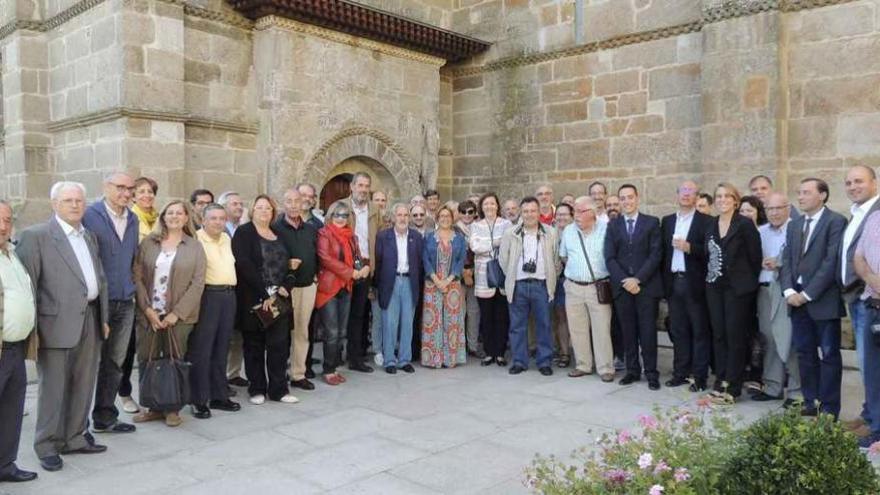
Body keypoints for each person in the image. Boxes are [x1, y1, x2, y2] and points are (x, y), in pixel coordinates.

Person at [17, 182, 110, 472]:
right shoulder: (36, 236)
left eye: (79, 200)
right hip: (54, 324)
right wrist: (33, 332)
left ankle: (75, 437)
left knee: (84, 383)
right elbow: (28, 285)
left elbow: (99, 279)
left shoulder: (89, 236)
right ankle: (47, 444)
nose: (74, 205)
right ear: (54, 203)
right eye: (68, 200)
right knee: (53, 388)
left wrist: (103, 318)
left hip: (90, 319)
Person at [132, 200, 206, 426]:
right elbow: (137, 276)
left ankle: (173, 408)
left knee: (175, 359)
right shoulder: (148, 243)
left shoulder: (194, 246)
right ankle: (152, 406)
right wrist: (147, 309)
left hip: (179, 316)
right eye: (169, 213)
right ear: (163, 217)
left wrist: (176, 314)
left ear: (186, 218)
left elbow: (197, 283)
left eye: (179, 213)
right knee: (148, 358)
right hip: (149, 313)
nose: (174, 216)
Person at [781, 178, 847, 418]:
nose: (800, 197)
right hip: (795, 301)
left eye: (806, 192)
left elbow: (831, 262)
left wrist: (807, 294)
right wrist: (789, 291)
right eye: (799, 192)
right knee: (804, 354)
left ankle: (829, 409)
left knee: (829, 355)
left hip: (822, 301)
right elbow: (786, 259)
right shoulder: (794, 224)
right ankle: (812, 401)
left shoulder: (835, 221)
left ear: (823, 195)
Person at [82, 172, 139, 435]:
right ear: (106, 187)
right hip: (95, 303)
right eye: (120, 187)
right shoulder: (88, 215)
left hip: (125, 302)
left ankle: (105, 416)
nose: (126, 193)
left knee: (115, 362)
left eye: (130, 189)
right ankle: (75, 424)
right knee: (85, 364)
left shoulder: (133, 218)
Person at [232, 195, 298, 405]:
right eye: (259, 207)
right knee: (254, 345)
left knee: (279, 345)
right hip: (255, 299)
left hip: (278, 300)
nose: (263, 211)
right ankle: (257, 388)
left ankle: (279, 389)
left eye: (267, 208)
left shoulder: (278, 233)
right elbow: (244, 265)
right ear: (252, 210)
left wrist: (286, 287)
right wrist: (264, 294)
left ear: (273, 212)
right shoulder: (244, 233)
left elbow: (290, 265)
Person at [703, 183, 762, 404]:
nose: (722, 199)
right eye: (718, 196)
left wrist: (744, 281)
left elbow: (755, 258)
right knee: (719, 335)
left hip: (738, 290)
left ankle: (733, 388)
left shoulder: (745, 224)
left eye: (727, 196)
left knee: (735, 336)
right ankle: (720, 381)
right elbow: (706, 254)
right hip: (714, 286)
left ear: (735, 200)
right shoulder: (710, 225)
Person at [604, 184, 662, 390]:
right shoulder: (613, 225)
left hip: (646, 287)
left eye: (630, 197)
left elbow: (656, 255)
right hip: (622, 288)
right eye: (623, 198)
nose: (626, 201)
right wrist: (625, 281)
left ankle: (652, 372)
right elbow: (609, 257)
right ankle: (632, 370)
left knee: (647, 332)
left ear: (637, 198)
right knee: (628, 331)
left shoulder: (652, 223)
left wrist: (637, 279)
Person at [188, 204, 240, 419]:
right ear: (203, 219)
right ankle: (198, 399)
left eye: (221, 218)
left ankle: (219, 395)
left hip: (228, 296)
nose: (218, 222)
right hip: (207, 296)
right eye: (213, 218)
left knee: (222, 347)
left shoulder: (227, 238)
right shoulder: (196, 240)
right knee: (202, 349)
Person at [839, 165, 880, 436]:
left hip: (871, 299)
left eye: (859, 181)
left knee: (872, 365)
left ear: (874, 183)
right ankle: (870, 416)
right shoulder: (868, 216)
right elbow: (858, 257)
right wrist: (874, 283)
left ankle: (875, 423)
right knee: (870, 365)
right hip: (863, 296)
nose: (853, 186)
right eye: (849, 182)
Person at [0, 200, 38, 483]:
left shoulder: (12, 253)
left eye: (8, 220)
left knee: (11, 410)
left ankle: (5, 465)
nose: (3, 226)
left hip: (15, 348)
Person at [499, 197, 560, 375]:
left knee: (544, 324)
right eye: (525, 211)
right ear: (521, 212)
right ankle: (519, 361)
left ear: (539, 212)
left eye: (533, 211)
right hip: (518, 285)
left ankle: (544, 362)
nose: (529, 214)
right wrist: (512, 274)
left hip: (542, 285)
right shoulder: (511, 233)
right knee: (517, 326)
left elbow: (556, 260)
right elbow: (503, 259)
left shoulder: (550, 232)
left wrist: (549, 277)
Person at [661, 180, 712, 391]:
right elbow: (662, 253)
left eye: (691, 191)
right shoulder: (668, 221)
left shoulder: (706, 221)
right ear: (677, 194)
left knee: (699, 331)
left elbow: (711, 251)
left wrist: (690, 247)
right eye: (683, 190)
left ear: (697, 197)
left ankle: (699, 378)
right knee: (678, 330)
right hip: (674, 282)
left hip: (695, 284)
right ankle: (680, 373)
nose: (686, 194)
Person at [752, 192, 801, 404]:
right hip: (763, 290)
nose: (774, 213)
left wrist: (779, 262)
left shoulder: (797, 229)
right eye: (769, 209)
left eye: (778, 208)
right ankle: (772, 386)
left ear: (788, 208)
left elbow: (802, 259)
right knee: (769, 340)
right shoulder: (760, 232)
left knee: (787, 339)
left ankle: (797, 392)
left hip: (785, 290)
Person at [560, 197, 614, 381]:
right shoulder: (568, 231)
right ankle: (583, 364)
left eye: (580, 211)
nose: (576, 215)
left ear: (592, 213)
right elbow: (564, 256)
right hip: (573, 286)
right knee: (577, 328)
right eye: (575, 211)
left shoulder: (606, 230)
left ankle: (605, 368)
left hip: (597, 287)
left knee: (601, 328)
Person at [273, 188, 319, 391]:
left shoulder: (310, 229)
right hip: (283, 289)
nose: (293, 205)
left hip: (307, 287)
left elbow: (316, 254)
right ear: (283, 204)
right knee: (280, 333)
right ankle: (278, 373)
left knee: (302, 332)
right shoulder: (275, 228)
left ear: (303, 203)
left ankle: (298, 374)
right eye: (289, 201)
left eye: (297, 201)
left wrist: (315, 276)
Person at [120, 176, 159, 414]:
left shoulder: (159, 218)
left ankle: (152, 392)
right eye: (142, 191)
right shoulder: (130, 219)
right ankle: (123, 392)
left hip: (157, 289)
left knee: (149, 345)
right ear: (134, 195)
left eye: (151, 192)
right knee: (128, 346)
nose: (147, 195)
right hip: (134, 287)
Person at [316, 200, 366, 385]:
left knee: (342, 330)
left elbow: (357, 257)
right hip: (329, 288)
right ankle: (328, 369)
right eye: (337, 214)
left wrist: (362, 268)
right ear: (331, 216)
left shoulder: (352, 237)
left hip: (346, 287)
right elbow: (325, 258)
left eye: (345, 215)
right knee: (332, 331)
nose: (341, 218)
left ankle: (334, 366)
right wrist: (350, 272)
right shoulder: (324, 233)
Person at [374, 203, 424, 374]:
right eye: (399, 215)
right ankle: (389, 360)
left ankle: (404, 359)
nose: (402, 218)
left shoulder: (416, 237)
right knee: (389, 322)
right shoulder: (383, 236)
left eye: (405, 215)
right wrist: (376, 286)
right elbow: (378, 263)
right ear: (394, 217)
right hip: (391, 282)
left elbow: (420, 263)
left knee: (408, 323)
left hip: (410, 282)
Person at [422, 205, 467, 368]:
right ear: (437, 218)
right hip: (432, 283)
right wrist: (436, 279)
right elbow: (425, 258)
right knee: (433, 321)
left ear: (452, 218)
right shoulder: (429, 237)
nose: (445, 218)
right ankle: (433, 358)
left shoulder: (459, 238)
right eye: (442, 216)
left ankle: (451, 358)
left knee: (452, 321)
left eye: (448, 216)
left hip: (452, 283)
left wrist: (447, 280)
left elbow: (461, 260)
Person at [470, 193, 513, 366]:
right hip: (482, 276)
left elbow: (509, 245)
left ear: (497, 206)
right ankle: (489, 352)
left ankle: (501, 353)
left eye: (492, 203)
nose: (489, 206)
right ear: (482, 207)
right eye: (486, 204)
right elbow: (474, 246)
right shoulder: (475, 225)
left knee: (502, 316)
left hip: (502, 274)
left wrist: (487, 246)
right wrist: (495, 244)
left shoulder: (506, 224)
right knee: (486, 316)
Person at [345, 172, 380, 373]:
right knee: (342, 314)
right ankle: (333, 357)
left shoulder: (374, 210)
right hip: (345, 267)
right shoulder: (340, 207)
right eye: (360, 185)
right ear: (352, 186)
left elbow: (381, 235)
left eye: (367, 186)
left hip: (366, 266)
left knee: (359, 314)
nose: (363, 189)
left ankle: (355, 357)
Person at [854, 209, 880, 447]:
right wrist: (872, 280)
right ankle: (878, 430)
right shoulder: (874, 218)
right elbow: (858, 257)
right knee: (873, 375)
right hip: (872, 305)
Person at [222, 191, 249, 390]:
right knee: (224, 335)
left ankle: (233, 373)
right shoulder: (219, 228)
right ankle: (219, 377)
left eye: (241, 204)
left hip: (243, 289)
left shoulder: (246, 229)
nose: (239, 207)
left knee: (239, 334)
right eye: (234, 204)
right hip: (224, 288)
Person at [457, 200, 482, 357]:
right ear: (459, 213)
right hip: (458, 275)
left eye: (470, 212)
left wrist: (471, 272)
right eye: (464, 212)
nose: (467, 215)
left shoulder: (480, 229)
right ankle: (459, 345)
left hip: (476, 274)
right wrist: (463, 273)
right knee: (459, 312)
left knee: (474, 312)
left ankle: (472, 345)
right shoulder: (453, 229)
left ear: (475, 213)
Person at [552, 202, 574, 368]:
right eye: (558, 214)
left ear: (572, 216)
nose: (561, 217)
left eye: (565, 214)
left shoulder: (577, 232)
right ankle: (564, 353)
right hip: (558, 281)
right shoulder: (551, 233)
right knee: (561, 318)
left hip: (575, 279)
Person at [131, 176, 159, 242]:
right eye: (141, 192)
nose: (147, 195)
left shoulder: (161, 218)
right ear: (133, 197)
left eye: (150, 192)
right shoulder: (128, 219)